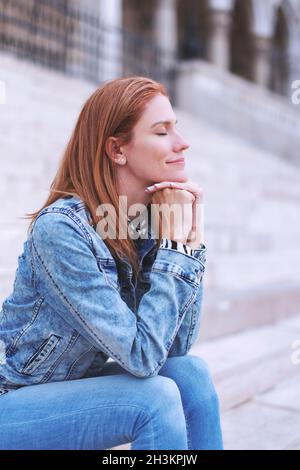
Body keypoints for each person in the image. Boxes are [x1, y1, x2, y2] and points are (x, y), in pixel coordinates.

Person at [0, 76, 223, 450]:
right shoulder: (61, 231)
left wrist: (187, 243)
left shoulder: (144, 222)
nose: (182, 143)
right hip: (13, 401)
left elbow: (175, 348)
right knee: (154, 399)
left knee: (191, 374)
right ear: (117, 150)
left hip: (69, 389)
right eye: (162, 131)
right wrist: (174, 250)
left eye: (176, 129)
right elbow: (142, 358)